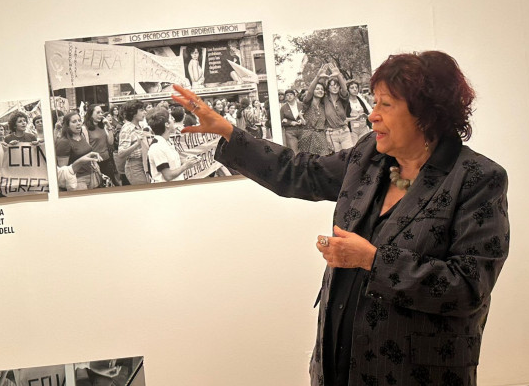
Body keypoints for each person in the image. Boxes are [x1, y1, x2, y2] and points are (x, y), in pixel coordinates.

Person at [172, 51, 509, 386]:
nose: (371, 116)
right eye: (373, 103)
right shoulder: (370, 156)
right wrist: (230, 132)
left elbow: (467, 288)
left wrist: (372, 260)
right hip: (339, 366)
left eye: (385, 105)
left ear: (426, 114)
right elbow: (302, 172)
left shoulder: (476, 178)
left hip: (414, 372)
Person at [145, 108, 199, 182]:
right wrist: (185, 166)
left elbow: (173, 163)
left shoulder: (167, 141)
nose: (174, 119)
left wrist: (187, 160)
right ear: (167, 124)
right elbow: (168, 176)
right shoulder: (157, 147)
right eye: (171, 118)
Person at [55, 111, 101, 191]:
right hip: (78, 181)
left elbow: (83, 153)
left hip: (91, 176)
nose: (78, 123)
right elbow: (64, 171)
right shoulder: (64, 142)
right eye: (74, 121)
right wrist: (80, 161)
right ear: (67, 126)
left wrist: (93, 157)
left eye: (79, 120)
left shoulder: (81, 136)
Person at [321, 63, 354, 152]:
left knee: (349, 155)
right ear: (328, 88)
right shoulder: (324, 100)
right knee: (337, 159)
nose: (334, 87)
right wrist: (320, 76)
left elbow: (345, 90)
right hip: (332, 134)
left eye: (337, 85)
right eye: (332, 85)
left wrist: (338, 75)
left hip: (344, 132)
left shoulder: (343, 98)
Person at [299, 70, 333, 155]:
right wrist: (318, 76)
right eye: (317, 89)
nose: (320, 90)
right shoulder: (307, 104)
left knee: (323, 160)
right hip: (307, 137)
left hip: (321, 137)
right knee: (308, 162)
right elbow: (310, 91)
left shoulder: (323, 106)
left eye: (322, 89)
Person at [117, 100, 150, 186]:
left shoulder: (140, 126)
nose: (145, 112)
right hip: (134, 166)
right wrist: (137, 144)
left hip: (143, 163)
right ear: (133, 113)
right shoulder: (126, 129)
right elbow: (121, 153)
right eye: (141, 110)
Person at [84, 104, 117, 185]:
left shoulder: (103, 126)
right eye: (98, 112)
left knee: (111, 184)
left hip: (107, 160)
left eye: (101, 112)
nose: (101, 114)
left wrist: (109, 126)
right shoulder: (85, 128)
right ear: (91, 114)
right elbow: (86, 148)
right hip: (95, 162)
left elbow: (110, 142)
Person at [346, 79, 372, 144]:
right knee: (355, 148)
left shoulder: (361, 100)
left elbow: (369, 111)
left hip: (364, 127)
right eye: (352, 88)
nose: (355, 89)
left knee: (365, 146)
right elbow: (344, 117)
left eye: (356, 87)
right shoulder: (346, 102)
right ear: (348, 90)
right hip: (353, 130)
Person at [280, 88, 305, 153]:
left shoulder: (301, 105)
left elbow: (307, 115)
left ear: (294, 96)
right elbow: (281, 120)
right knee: (294, 151)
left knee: (304, 150)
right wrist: (290, 122)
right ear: (285, 98)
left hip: (302, 129)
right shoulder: (283, 108)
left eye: (291, 94)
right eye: (287, 95)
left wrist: (301, 119)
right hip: (290, 131)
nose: (289, 96)